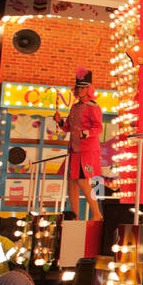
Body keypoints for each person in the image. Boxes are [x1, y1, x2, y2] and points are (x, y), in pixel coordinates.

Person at [54, 68, 104, 221]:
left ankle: (96, 214)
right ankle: (75, 215)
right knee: (72, 181)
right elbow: (68, 127)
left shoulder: (93, 106)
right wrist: (60, 121)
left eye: (83, 87)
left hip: (87, 150)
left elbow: (98, 127)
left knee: (82, 180)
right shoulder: (75, 107)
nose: (80, 90)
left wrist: (85, 133)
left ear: (89, 89)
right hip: (74, 149)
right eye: (78, 87)